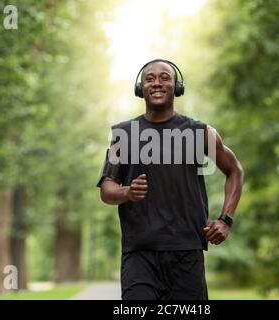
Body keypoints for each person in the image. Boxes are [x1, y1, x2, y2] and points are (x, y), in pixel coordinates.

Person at [97, 59, 244, 300]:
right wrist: (128, 192)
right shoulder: (123, 135)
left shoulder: (201, 133)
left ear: (177, 86)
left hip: (187, 253)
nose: (157, 83)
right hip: (139, 255)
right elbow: (106, 189)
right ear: (140, 88)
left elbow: (235, 171)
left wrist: (225, 220)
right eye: (149, 78)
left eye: (165, 77)